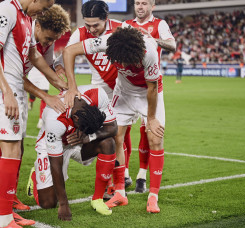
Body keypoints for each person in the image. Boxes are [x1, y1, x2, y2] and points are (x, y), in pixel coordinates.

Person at [0, 0, 68, 227]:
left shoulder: (27, 18)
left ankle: (6, 210)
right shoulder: (6, 10)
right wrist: (7, 92)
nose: (43, 12)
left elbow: (34, 56)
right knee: (9, 151)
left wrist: (58, 83)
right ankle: (3, 216)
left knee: (15, 150)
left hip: (15, 91)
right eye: (44, 6)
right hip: (5, 91)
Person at [63, 27, 165, 213]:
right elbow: (69, 50)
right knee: (116, 136)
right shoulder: (106, 41)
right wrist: (72, 86)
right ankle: (120, 193)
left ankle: (153, 197)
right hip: (123, 92)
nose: (122, 64)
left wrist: (150, 119)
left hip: (148, 93)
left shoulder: (149, 52)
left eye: (126, 61)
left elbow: (152, 88)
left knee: (155, 138)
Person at [54, 0, 133, 194]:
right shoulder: (80, 33)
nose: (91, 29)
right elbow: (62, 58)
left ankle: (123, 174)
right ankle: (114, 181)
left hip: (125, 90)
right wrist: (64, 77)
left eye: (95, 25)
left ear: (106, 19)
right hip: (101, 90)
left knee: (122, 133)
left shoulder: (121, 29)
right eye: (87, 24)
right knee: (112, 134)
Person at [27, 85, 117, 220]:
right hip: (52, 146)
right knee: (48, 203)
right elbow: (55, 162)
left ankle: (97, 199)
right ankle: (35, 174)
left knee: (108, 143)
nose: (83, 129)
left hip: (78, 142)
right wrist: (64, 204)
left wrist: (89, 136)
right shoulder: (55, 118)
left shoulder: (97, 94)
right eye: (82, 127)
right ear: (75, 118)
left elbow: (113, 128)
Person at [123, 0, 175, 193]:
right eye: (137, 3)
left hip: (150, 86)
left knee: (149, 132)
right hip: (128, 87)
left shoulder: (160, 24)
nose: (140, 6)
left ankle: (141, 177)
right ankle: (124, 174)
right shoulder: (127, 25)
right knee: (122, 130)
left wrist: (154, 40)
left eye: (144, 3)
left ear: (152, 6)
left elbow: (172, 44)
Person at [26, 4, 70, 129]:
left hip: (17, 88)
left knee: (17, 144)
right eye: (49, 38)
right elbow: (13, 74)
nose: (51, 43)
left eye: (54, 40)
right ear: (38, 26)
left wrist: (68, 90)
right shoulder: (24, 34)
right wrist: (46, 97)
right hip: (1, 87)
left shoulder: (47, 42)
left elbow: (48, 70)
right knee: (6, 141)